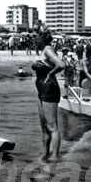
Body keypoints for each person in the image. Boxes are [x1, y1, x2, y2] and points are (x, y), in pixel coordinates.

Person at [31, 27, 64, 161]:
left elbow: (61, 65)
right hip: (41, 89)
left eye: (36, 37)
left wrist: (50, 73)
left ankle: (55, 157)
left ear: (42, 38)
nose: (34, 39)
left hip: (50, 88)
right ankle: (45, 154)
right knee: (44, 127)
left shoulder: (48, 49)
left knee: (52, 126)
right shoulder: (42, 50)